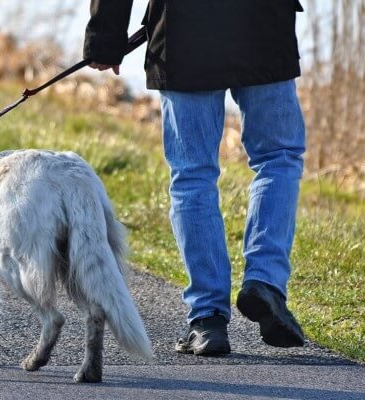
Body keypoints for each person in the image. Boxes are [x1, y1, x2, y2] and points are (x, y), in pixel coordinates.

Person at [83, 0, 307, 356]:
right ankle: (265, 281)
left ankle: (207, 318)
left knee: (192, 175)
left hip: (184, 33)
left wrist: (104, 37)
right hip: (263, 24)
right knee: (277, 158)